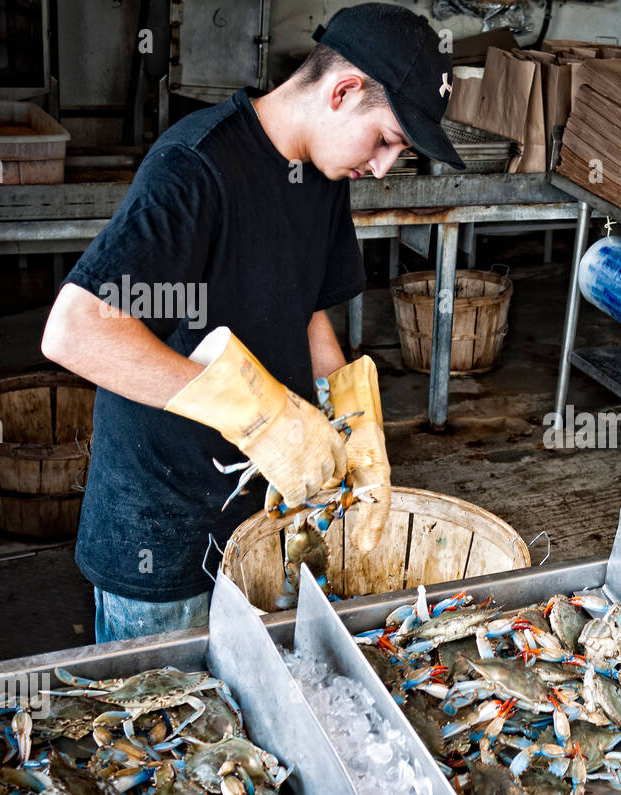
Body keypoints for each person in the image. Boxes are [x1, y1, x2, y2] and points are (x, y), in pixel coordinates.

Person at [41, 3, 465, 642]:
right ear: (343, 91)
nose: (381, 168)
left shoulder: (321, 171)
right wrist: (258, 416)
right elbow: (74, 330)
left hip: (262, 517)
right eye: (385, 140)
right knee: (171, 728)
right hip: (163, 528)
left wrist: (351, 416)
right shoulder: (196, 166)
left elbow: (309, 309)